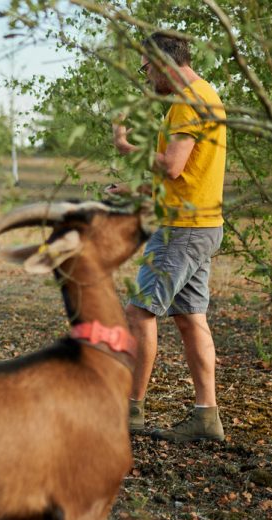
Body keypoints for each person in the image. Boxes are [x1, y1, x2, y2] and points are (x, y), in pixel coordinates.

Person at [110, 32, 227, 442]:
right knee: (191, 318)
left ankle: (130, 412)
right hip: (200, 222)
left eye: (146, 68)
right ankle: (207, 418)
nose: (147, 78)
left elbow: (174, 167)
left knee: (139, 311)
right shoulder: (206, 94)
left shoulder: (187, 100)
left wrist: (126, 147)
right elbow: (190, 178)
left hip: (183, 229)